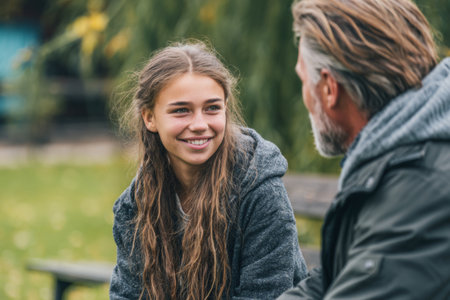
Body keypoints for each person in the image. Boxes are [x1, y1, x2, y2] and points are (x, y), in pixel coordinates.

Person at [279, 0, 450, 299]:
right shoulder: (402, 159)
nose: (305, 95)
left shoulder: (422, 189)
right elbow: (335, 277)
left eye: (304, 81)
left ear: (329, 89)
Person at [109, 41, 308, 300]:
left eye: (212, 108)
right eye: (181, 111)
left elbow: (265, 295)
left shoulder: (260, 193)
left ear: (226, 107)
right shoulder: (135, 206)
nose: (200, 124)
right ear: (150, 118)